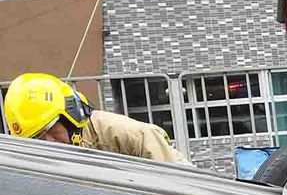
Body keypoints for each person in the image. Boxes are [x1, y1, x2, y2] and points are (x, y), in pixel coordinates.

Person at [2, 72, 185, 163]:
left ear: (71, 115)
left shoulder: (132, 137)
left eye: (49, 129)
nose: (48, 142)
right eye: (36, 138)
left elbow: (184, 188)